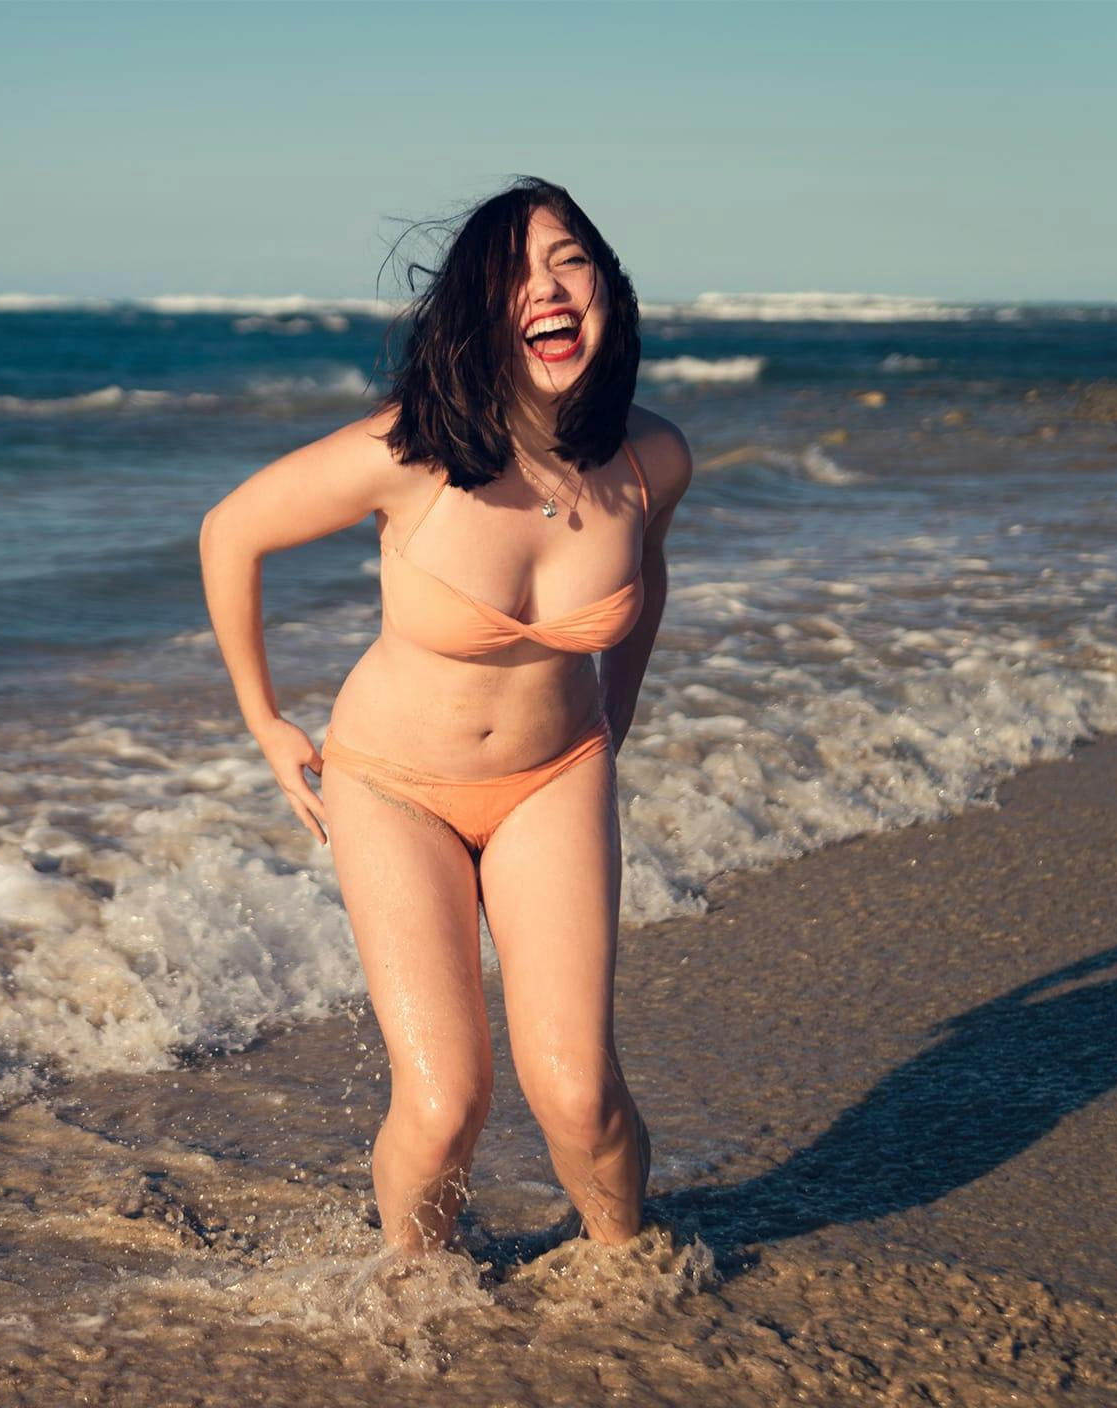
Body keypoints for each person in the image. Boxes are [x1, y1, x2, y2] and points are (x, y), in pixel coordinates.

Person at [199, 176, 692, 1255]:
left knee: (579, 1098)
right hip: (394, 787)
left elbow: (642, 581)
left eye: (567, 259)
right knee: (444, 1102)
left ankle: (627, 1271)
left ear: (606, 285)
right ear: (477, 314)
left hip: (554, 774)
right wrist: (265, 721)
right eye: (514, 274)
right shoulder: (406, 454)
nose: (546, 287)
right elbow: (229, 531)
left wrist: (618, 714)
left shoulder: (650, 459)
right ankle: (416, 1292)